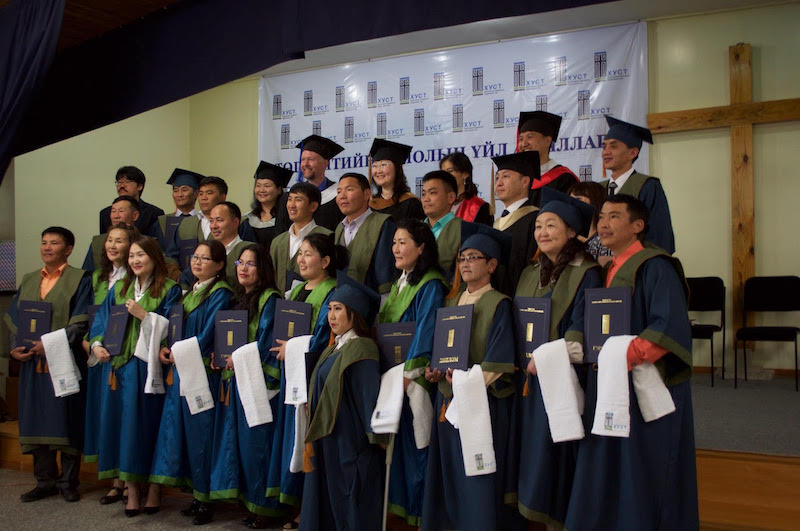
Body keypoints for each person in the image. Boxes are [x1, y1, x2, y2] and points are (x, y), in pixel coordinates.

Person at [565, 194, 697, 530]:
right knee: (614, 461)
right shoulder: (608, 270)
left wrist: (619, 356)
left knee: (644, 466)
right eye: (602, 217)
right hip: (612, 381)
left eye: (614, 216)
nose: (604, 224)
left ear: (638, 226)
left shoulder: (656, 266)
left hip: (645, 383)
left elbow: (667, 326)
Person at [421, 228, 521, 531]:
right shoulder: (451, 304)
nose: (465, 264)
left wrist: (464, 381)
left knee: (476, 473)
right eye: (462, 258)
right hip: (448, 400)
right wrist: (434, 370)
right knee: (449, 471)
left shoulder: (498, 303)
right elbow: (442, 350)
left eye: (473, 258)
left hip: (480, 403)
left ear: (491, 265)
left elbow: (499, 359)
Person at [514, 188, 601, 527]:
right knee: (534, 454)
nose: (543, 232)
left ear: (570, 232)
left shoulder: (587, 272)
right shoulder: (529, 273)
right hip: (529, 379)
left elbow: (585, 330)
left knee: (558, 455)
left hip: (564, 382)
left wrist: (548, 357)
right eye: (538, 226)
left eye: (551, 225)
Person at [89, 236, 181, 516]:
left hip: (148, 367)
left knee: (147, 427)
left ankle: (153, 488)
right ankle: (131, 490)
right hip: (119, 366)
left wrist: (145, 316)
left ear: (154, 257)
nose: (135, 260)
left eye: (141, 255)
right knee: (123, 428)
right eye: (131, 256)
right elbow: (100, 322)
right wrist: (96, 344)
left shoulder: (169, 289)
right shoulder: (120, 287)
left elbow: (174, 328)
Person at [4, 227, 92, 503]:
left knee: (65, 418)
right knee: (36, 416)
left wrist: (52, 343)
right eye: (44, 242)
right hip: (32, 362)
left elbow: (81, 320)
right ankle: (44, 480)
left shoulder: (80, 279)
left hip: (63, 360)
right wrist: (14, 349)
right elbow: (13, 319)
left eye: (54, 243)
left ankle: (68, 482)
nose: (47, 247)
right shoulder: (29, 279)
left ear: (68, 249)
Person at [150, 240, 233, 524]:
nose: (197, 263)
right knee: (187, 434)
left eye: (205, 259)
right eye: (195, 257)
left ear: (219, 265)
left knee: (202, 436)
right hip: (183, 367)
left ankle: (207, 499)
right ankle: (196, 495)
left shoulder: (220, 293)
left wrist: (177, 351)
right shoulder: (190, 292)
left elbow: (209, 333)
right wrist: (164, 345)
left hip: (202, 374)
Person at [266, 233, 346, 527]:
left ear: (325, 261)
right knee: (290, 438)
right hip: (292, 374)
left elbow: (328, 336)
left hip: (314, 375)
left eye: (309, 254)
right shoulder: (297, 292)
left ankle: (309, 509)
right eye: (299, 253)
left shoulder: (333, 292)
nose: (301, 259)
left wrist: (295, 347)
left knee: (307, 439)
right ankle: (291, 502)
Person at [299, 273, 386, 531]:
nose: (331, 316)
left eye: (338, 309)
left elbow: (367, 396)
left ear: (355, 313)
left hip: (351, 441)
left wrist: (376, 438)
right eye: (330, 309)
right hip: (330, 438)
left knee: (350, 502)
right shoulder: (334, 346)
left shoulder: (362, 348)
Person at [378, 219, 447, 527]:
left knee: (417, 446)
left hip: (415, 378)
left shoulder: (430, 284)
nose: (396, 248)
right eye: (394, 242)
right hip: (395, 375)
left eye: (403, 242)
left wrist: (409, 372)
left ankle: (419, 514)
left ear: (421, 248)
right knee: (401, 446)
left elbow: (427, 328)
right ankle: (401, 511)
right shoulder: (400, 282)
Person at [208, 244, 284, 526]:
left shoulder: (270, 300)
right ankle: (249, 503)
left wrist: (234, 359)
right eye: (240, 262)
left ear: (263, 268)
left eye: (251, 263)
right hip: (237, 380)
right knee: (241, 445)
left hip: (258, 384)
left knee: (257, 447)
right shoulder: (240, 298)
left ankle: (264, 509)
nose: (243, 267)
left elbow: (266, 343)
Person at [83, 223, 137, 505]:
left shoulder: (137, 275)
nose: (113, 245)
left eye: (120, 241)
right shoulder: (98, 277)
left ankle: (128, 481)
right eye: (110, 240)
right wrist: (92, 342)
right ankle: (115, 479)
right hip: (102, 354)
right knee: (108, 418)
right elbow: (95, 318)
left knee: (125, 418)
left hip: (126, 356)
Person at [600, 116, 675, 254]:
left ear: (633, 152)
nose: (606, 151)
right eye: (604, 146)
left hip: (635, 267)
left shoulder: (647, 186)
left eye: (614, 146)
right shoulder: (598, 189)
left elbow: (660, 237)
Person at [334, 172, 397, 294]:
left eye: (349, 189)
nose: (342, 196)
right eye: (339, 192)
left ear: (367, 194)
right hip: (343, 302)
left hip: (373, 301)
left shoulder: (383, 224)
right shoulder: (339, 228)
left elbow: (385, 271)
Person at [492, 151, 541, 295]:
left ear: (525, 181)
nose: (499, 183)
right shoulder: (496, 224)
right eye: (497, 178)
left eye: (505, 176)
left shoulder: (535, 220)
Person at [269, 182, 332, 294]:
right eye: (289, 199)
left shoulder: (327, 237)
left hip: (315, 302)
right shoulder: (278, 242)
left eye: (298, 200)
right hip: (280, 307)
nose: (291, 205)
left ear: (313, 206)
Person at [276, 135, 345, 232]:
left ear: (325, 163)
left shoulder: (338, 196)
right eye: (303, 159)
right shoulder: (288, 198)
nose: (305, 164)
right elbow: (281, 234)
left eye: (311, 159)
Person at [179, 201, 251, 288]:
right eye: (211, 221)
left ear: (235, 222)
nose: (213, 226)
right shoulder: (207, 250)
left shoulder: (248, 250)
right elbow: (185, 279)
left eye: (219, 220)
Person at [421, 170, 478, 280]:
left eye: (432, 193)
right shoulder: (415, 229)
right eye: (423, 194)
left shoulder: (464, 230)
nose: (426, 199)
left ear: (451, 197)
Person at [516, 111, 580, 206]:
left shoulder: (564, 179)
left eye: (529, 137)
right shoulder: (519, 180)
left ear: (547, 141)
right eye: (521, 139)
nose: (524, 144)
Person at [167, 175, 228, 269]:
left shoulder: (235, 223)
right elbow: (171, 257)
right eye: (200, 193)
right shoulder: (185, 224)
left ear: (223, 196)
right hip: (187, 282)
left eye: (209, 193)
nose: (204, 197)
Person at [83, 195, 158, 272]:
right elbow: (87, 272)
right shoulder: (97, 242)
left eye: (121, 211)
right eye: (113, 211)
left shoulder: (147, 244)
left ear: (135, 215)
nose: (116, 216)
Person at [368, 138, 424, 221]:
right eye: (375, 166)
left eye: (383, 165)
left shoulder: (411, 203)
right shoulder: (370, 204)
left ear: (397, 169)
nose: (379, 171)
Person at [240, 161, 293, 249]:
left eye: (267, 186)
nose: (261, 190)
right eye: (258, 185)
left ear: (279, 190)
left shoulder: (287, 219)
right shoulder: (247, 219)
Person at [98, 166, 165, 235]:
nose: (122, 186)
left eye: (127, 182)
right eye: (119, 182)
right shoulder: (105, 213)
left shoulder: (154, 213)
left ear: (139, 186)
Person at [440, 151, 493, 226]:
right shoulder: (439, 205)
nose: (445, 176)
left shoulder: (480, 207)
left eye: (450, 171)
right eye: (442, 173)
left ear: (465, 174)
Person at [156, 168, 203, 249]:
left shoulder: (203, 220)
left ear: (196, 194)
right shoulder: (162, 222)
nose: (179, 194)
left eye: (184, 190)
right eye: (176, 190)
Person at [569, 180, 613, 266]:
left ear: (595, 202)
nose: (572, 205)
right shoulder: (567, 236)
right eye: (570, 201)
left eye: (578, 200)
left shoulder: (605, 241)